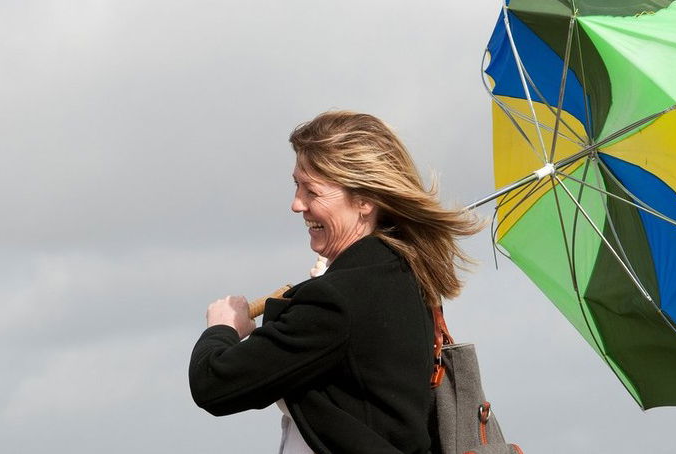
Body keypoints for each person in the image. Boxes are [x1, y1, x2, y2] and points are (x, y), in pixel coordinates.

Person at [189, 110, 482, 453]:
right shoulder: (402, 274)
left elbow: (214, 383)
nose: (296, 204)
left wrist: (222, 328)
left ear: (364, 201)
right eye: (296, 185)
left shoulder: (338, 299)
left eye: (311, 191)